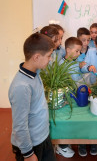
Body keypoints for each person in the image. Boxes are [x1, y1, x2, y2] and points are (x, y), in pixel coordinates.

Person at [8, 33, 56, 161]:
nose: (50, 59)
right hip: (31, 145)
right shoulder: (21, 87)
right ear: (36, 57)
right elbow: (20, 125)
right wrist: (28, 154)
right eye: (49, 56)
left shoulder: (35, 72)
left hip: (42, 136)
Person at [56, 37, 82, 158]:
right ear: (67, 50)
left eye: (80, 51)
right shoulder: (60, 64)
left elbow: (76, 78)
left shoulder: (75, 63)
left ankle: (66, 142)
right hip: (64, 98)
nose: (79, 53)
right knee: (64, 119)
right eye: (77, 51)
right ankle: (61, 146)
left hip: (73, 96)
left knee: (73, 119)